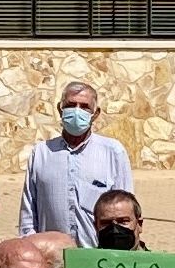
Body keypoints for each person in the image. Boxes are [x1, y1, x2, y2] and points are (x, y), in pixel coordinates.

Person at [21, 81, 137, 239]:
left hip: (97, 256)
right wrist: (29, 242)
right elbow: (28, 211)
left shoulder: (113, 152)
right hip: (52, 256)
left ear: (95, 114)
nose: (77, 111)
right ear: (60, 109)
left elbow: (126, 211)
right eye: (71, 105)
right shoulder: (42, 153)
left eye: (84, 107)